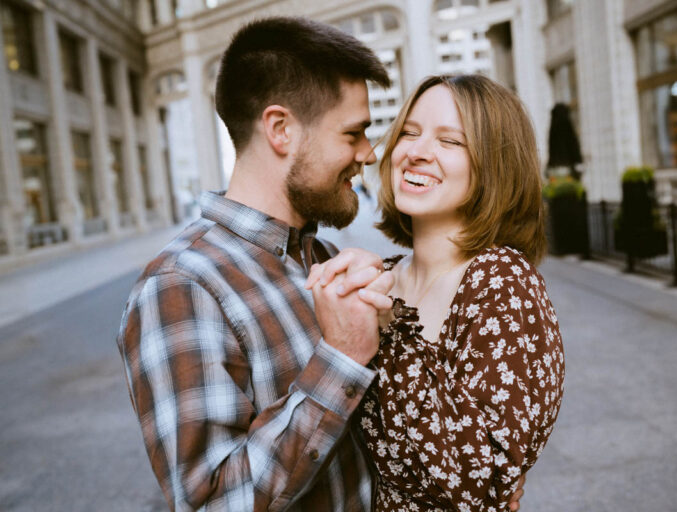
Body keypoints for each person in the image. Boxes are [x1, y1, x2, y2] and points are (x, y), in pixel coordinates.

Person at [116, 16, 525, 511]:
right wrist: (342, 360)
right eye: (353, 133)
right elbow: (213, 502)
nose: (370, 154)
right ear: (281, 129)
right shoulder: (182, 287)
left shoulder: (323, 258)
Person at [307, 74, 565, 511]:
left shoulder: (502, 283)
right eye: (408, 133)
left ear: (493, 164)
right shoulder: (379, 278)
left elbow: (478, 482)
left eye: (450, 141)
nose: (416, 152)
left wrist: (390, 330)